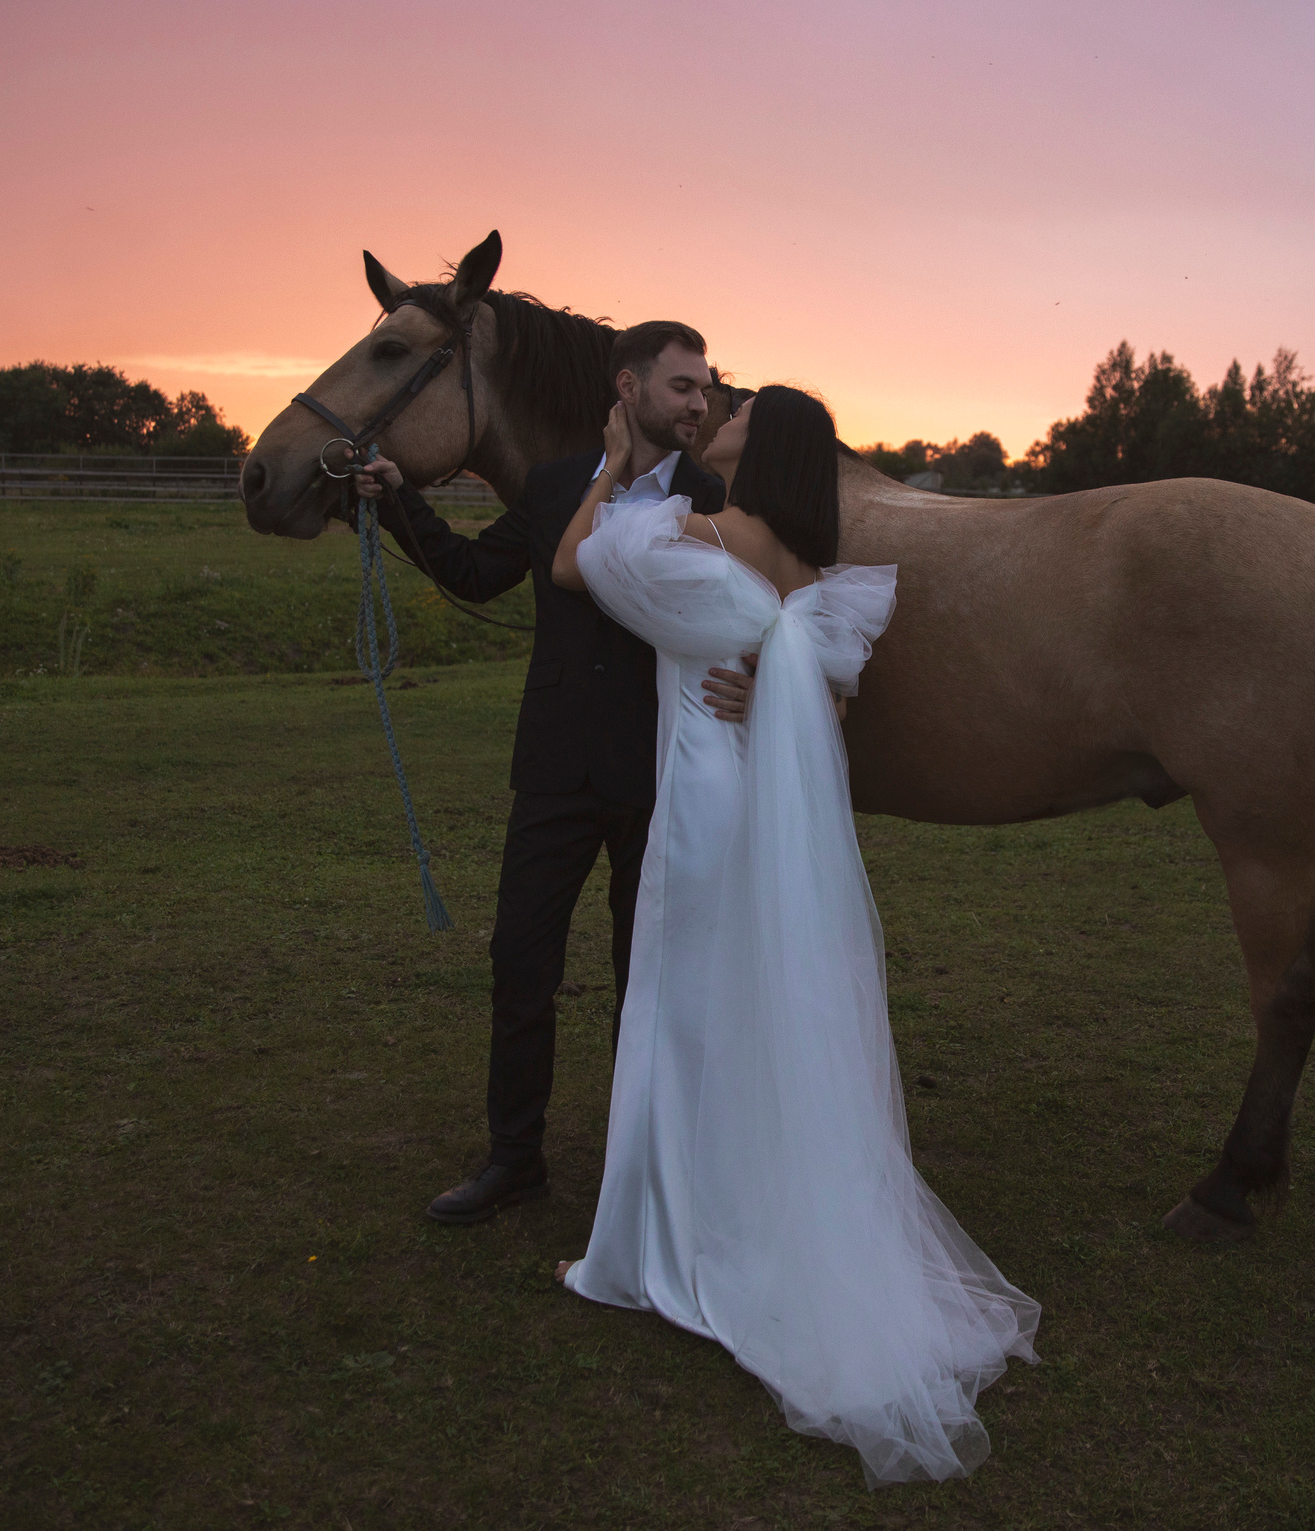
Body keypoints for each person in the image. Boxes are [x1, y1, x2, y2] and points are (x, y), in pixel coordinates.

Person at [551, 383, 1040, 1487]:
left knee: (681, 1011)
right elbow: (833, 711)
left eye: (729, 414)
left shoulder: (689, 537)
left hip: (710, 805)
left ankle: (661, 1248)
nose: (710, 416)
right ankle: (752, 1213)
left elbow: (573, 566)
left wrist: (613, 462)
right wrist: (775, 671)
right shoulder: (815, 583)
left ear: (755, 446)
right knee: (759, 1010)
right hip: (772, 811)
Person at [352, 321, 753, 1225]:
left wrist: (761, 680)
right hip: (556, 768)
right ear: (629, 387)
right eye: (684, 386)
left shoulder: (716, 494)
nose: (700, 403)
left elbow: (762, 604)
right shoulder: (557, 484)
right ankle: (513, 1158)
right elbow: (472, 569)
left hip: (663, 770)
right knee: (519, 961)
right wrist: (395, 501)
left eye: (706, 388)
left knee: (644, 973)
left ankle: (642, 1167)